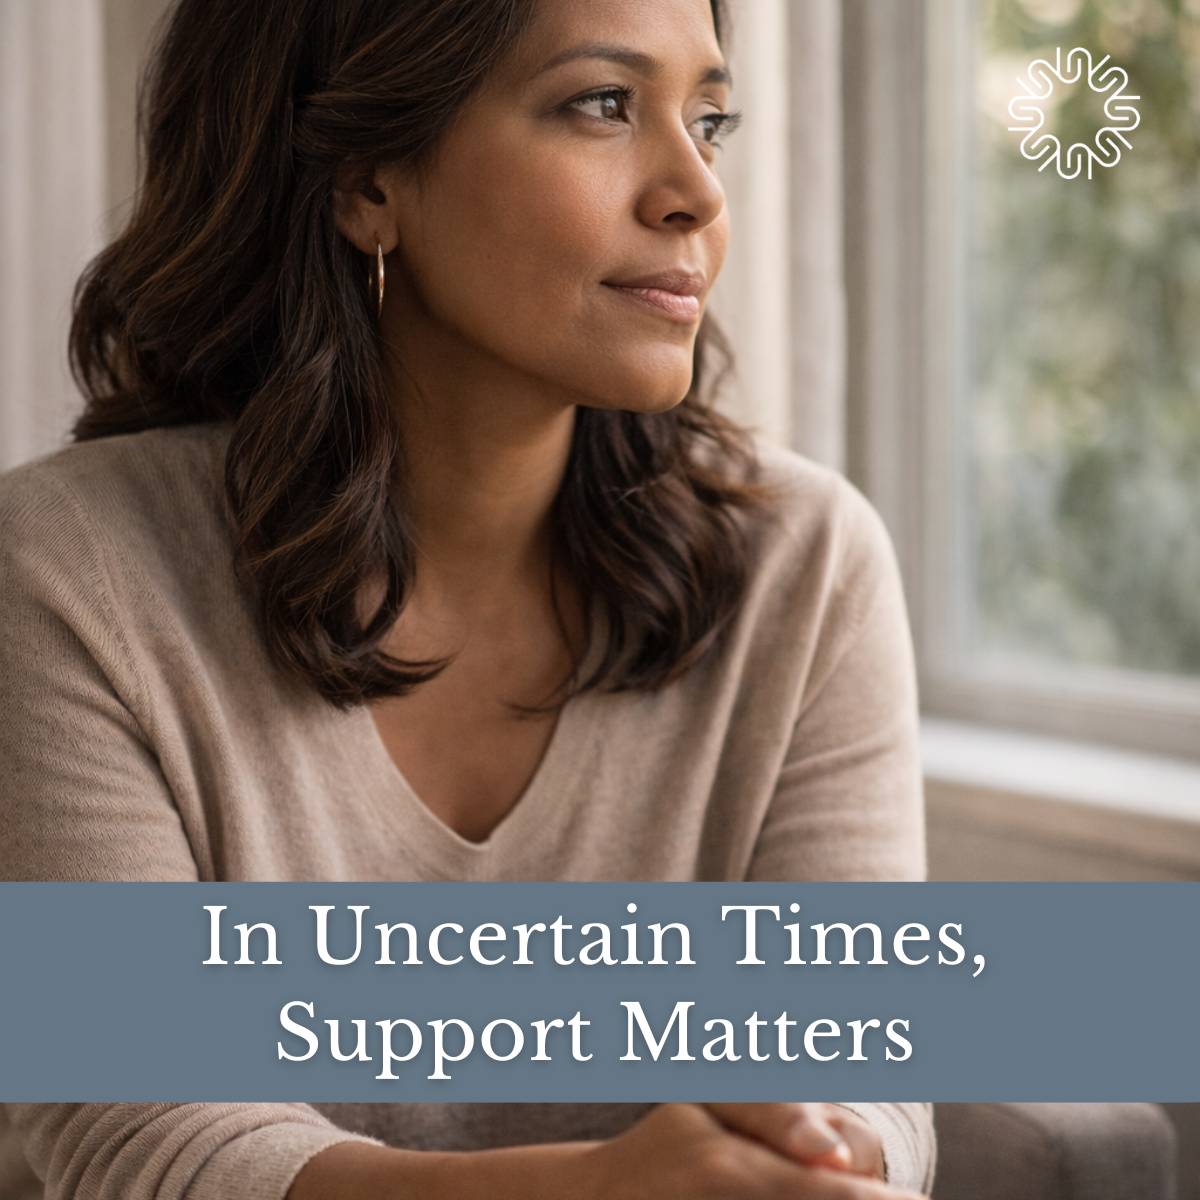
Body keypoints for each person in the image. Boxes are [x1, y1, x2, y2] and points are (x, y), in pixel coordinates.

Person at [0, 0, 936, 1197]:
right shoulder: (72, 572)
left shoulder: (807, 571)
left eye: (710, 119)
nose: (696, 192)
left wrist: (820, 1154)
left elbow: (861, 1070)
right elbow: (141, 1133)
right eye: (603, 104)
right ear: (366, 179)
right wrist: (597, 1189)